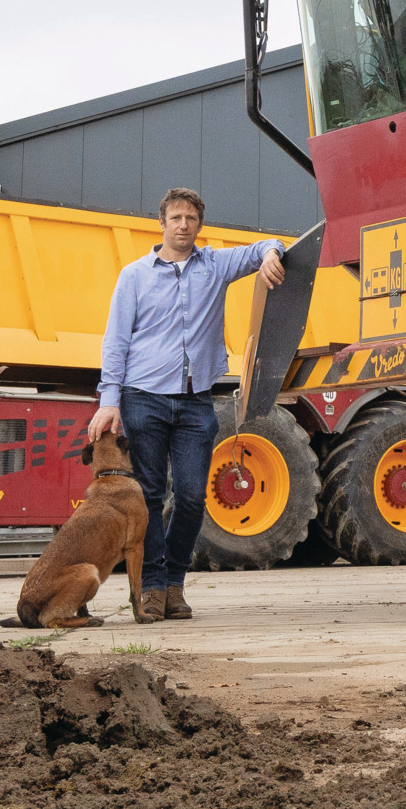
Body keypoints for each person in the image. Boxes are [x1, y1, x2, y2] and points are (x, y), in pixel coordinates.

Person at [86, 188, 284, 623]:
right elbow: (116, 340)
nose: (183, 225)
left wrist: (271, 253)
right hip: (144, 398)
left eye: (191, 218)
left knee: (193, 496)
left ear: (199, 225)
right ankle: (153, 588)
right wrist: (109, 400)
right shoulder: (134, 276)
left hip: (195, 401)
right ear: (161, 224)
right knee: (150, 495)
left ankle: (175, 581)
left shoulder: (214, 265)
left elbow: (266, 246)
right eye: (175, 218)